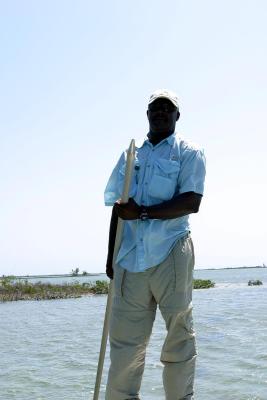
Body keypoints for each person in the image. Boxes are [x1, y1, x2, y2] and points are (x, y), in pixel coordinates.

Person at [104, 89, 206, 400]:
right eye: (155, 108)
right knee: (124, 343)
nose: (161, 112)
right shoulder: (131, 154)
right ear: (147, 114)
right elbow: (119, 208)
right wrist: (110, 258)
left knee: (178, 335)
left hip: (171, 252)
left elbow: (192, 201)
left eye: (168, 108)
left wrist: (144, 213)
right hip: (130, 257)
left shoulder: (189, 152)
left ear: (177, 115)